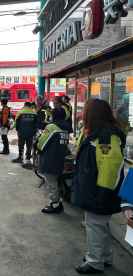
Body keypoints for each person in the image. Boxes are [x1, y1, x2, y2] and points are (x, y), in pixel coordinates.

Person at [71, 99, 126, 274]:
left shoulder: (106, 137)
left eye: (85, 111)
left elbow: (110, 170)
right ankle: (105, 257)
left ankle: (95, 261)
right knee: (99, 225)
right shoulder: (93, 133)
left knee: (94, 226)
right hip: (92, 189)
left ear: (92, 114)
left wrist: (101, 194)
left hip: (99, 191)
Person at [33, 108, 69, 213]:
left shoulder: (52, 127)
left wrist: (38, 149)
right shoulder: (66, 128)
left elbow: (42, 141)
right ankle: (57, 201)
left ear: (52, 116)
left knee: (51, 182)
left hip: (50, 158)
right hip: (59, 158)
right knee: (54, 181)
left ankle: (55, 204)